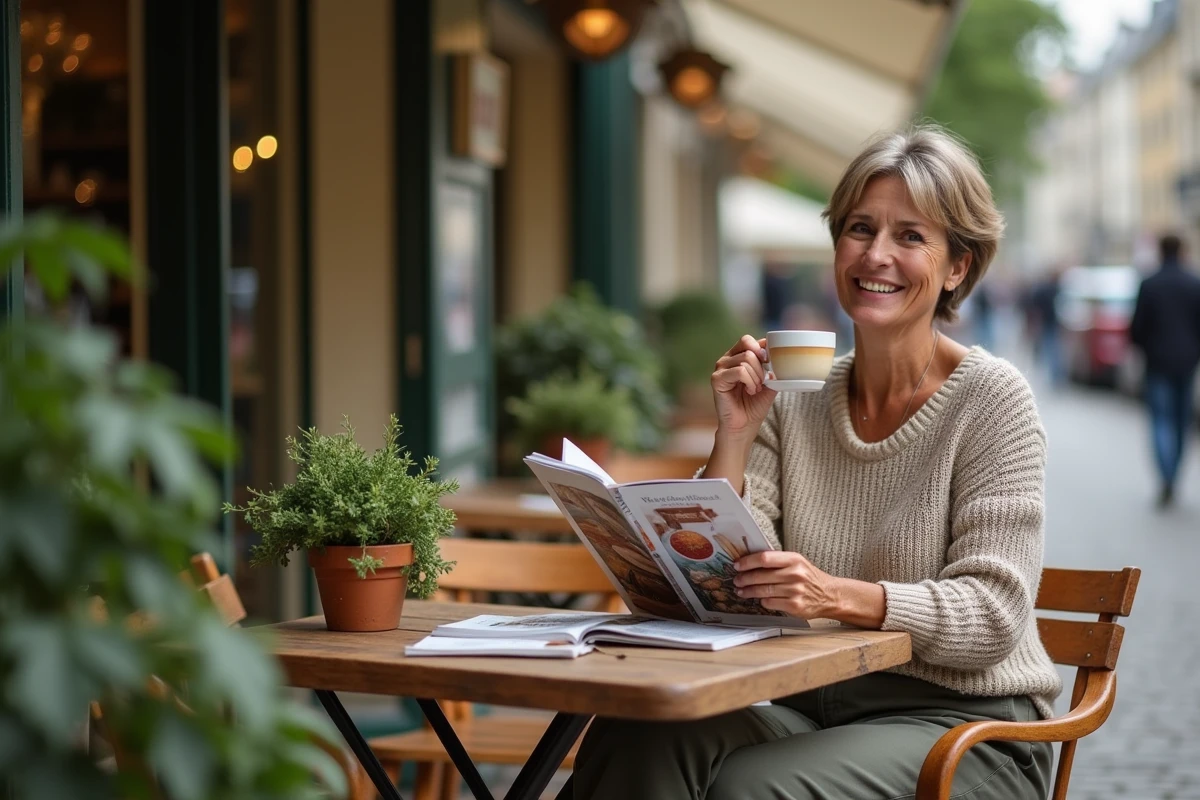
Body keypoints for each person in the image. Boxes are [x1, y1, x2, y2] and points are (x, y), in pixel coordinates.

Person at [572, 126, 1060, 800]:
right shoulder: (796, 398)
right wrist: (737, 433)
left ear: (958, 267)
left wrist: (834, 595)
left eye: (911, 236)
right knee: (634, 736)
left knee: (746, 789)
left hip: (968, 729)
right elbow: (727, 588)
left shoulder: (991, 400)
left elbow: (993, 613)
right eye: (860, 228)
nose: (877, 254)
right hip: (811, 703)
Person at [1129, 233, 1200, 508]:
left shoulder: (1150, 284)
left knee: (1160, 420)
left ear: (1160, 251)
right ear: (1182, 250)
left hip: (1157, 362)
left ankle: (1166, 475)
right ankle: (1174, 475)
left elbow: (1137, 327)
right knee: (1182, 422)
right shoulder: (1194, 283)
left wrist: (1143, 348)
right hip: (1187, 362)